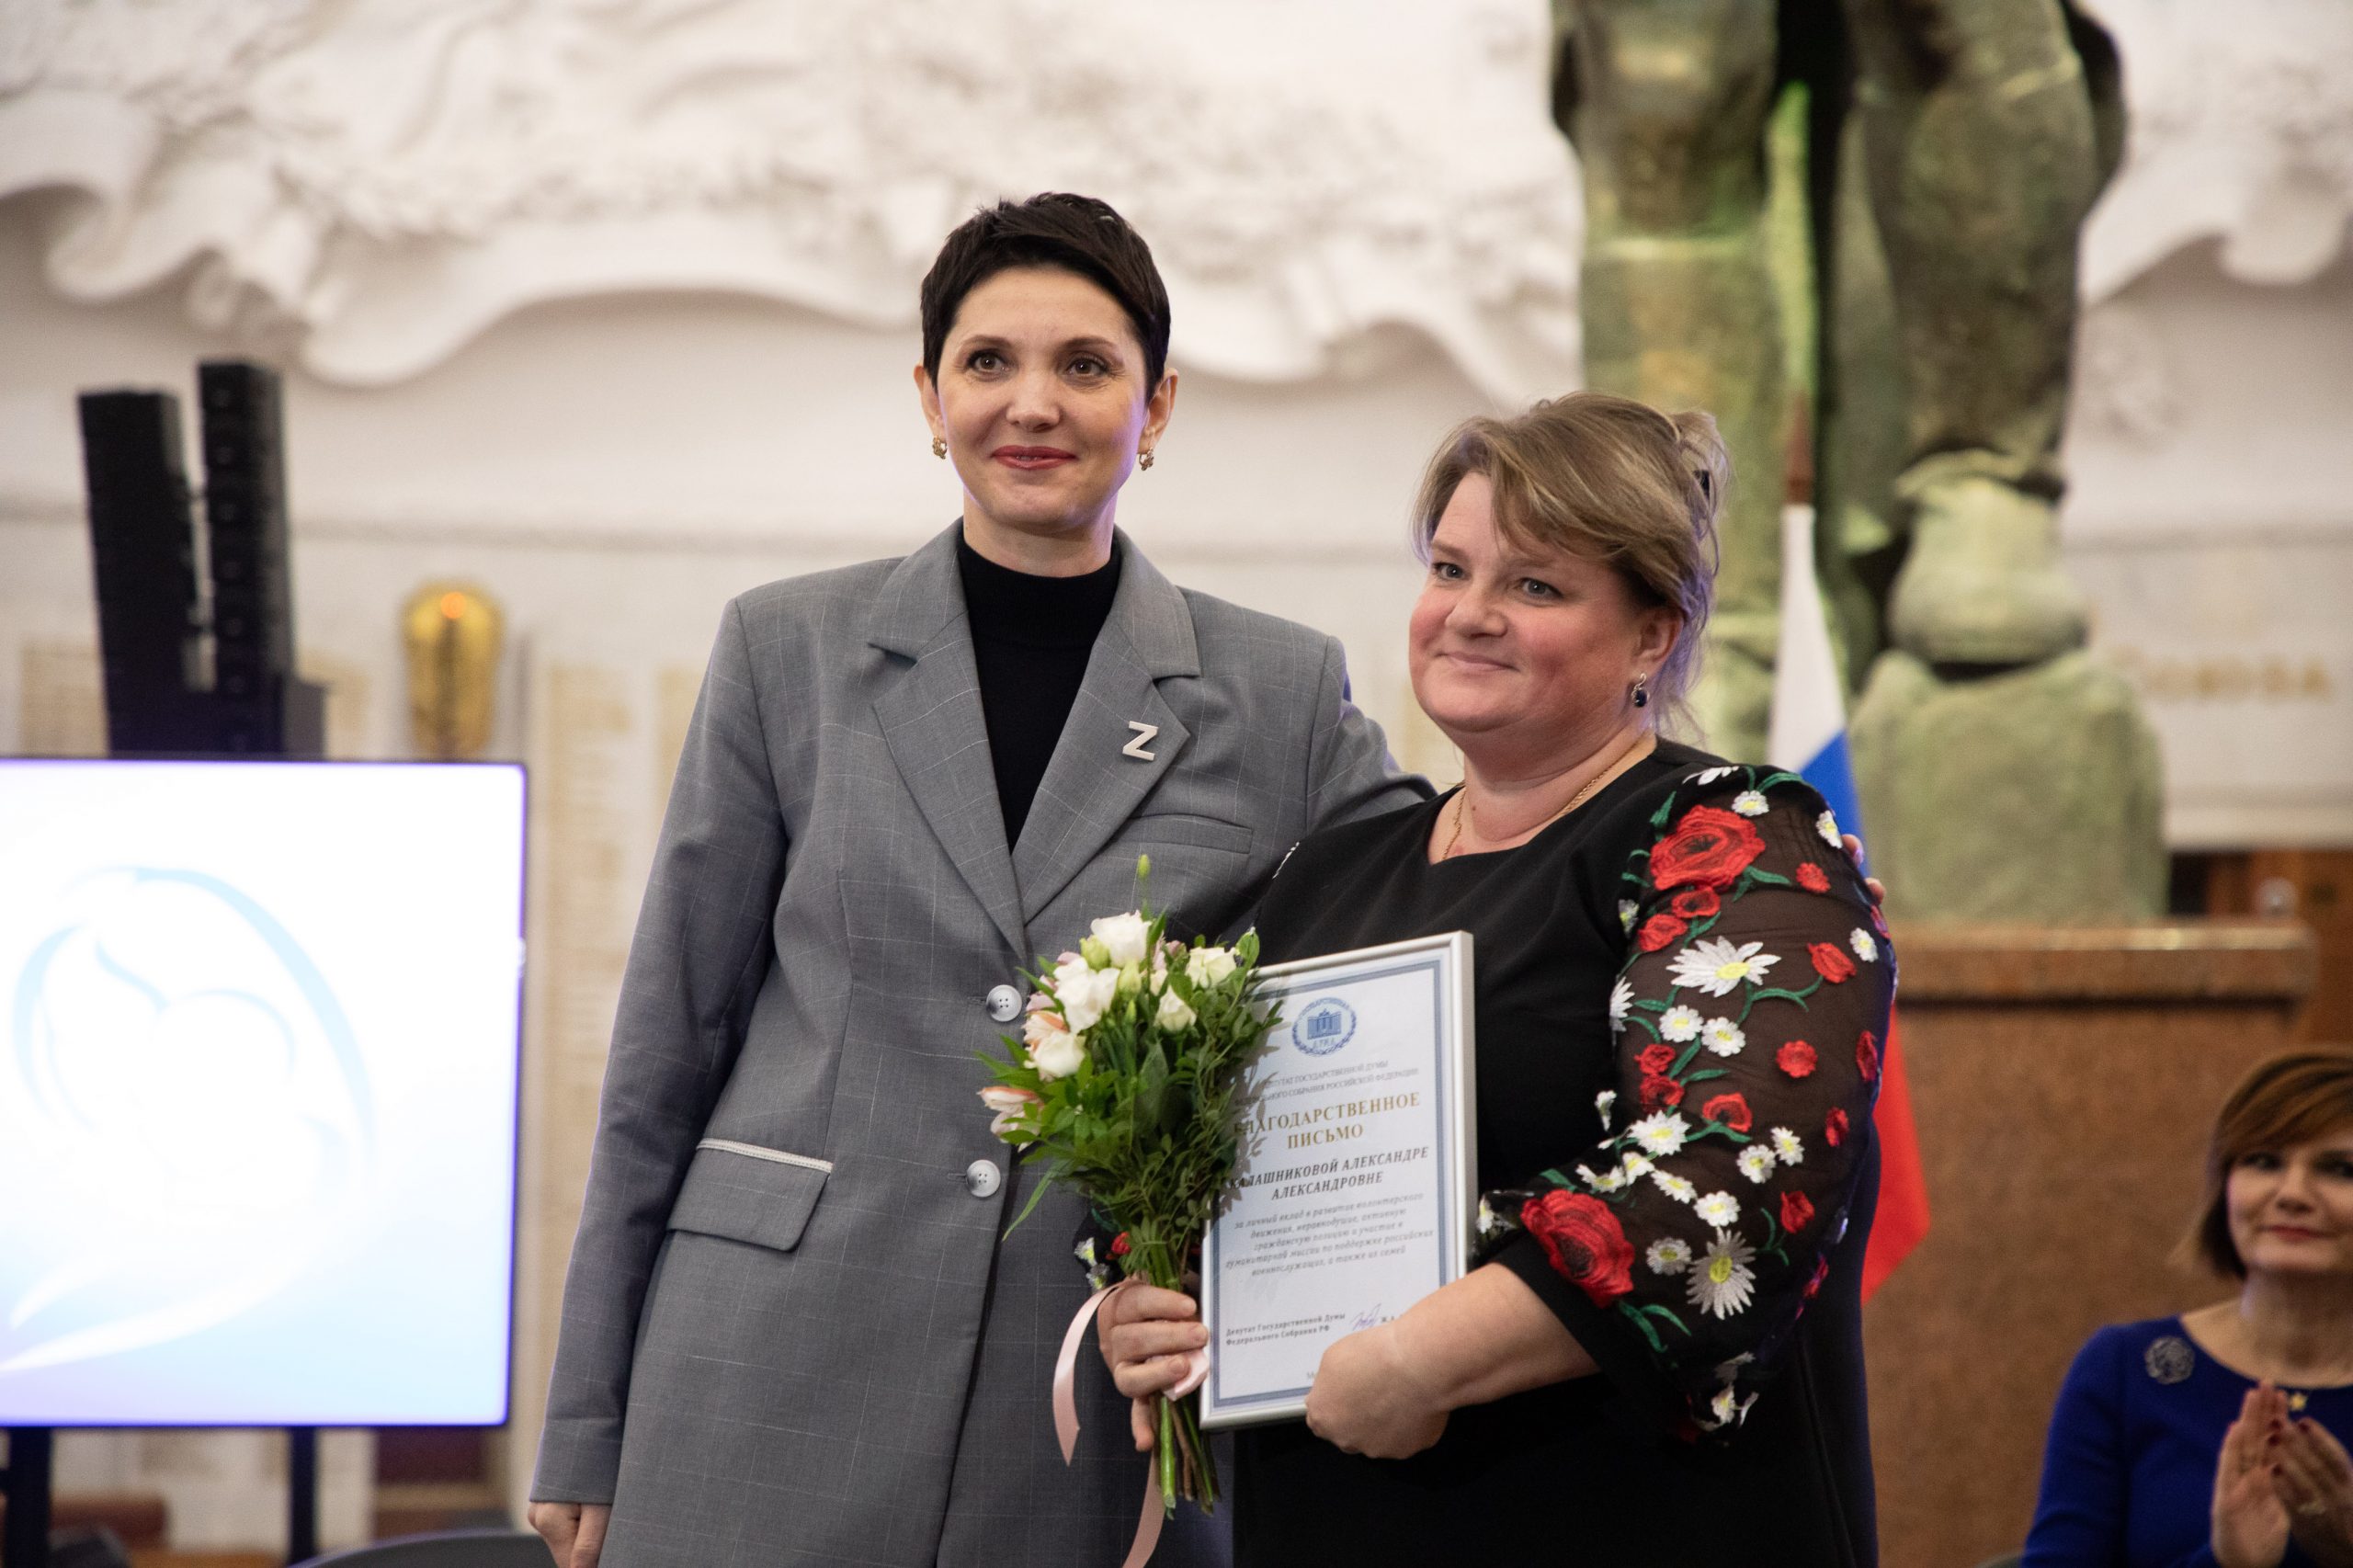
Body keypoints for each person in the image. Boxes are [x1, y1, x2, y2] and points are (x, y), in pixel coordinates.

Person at [525, 192, 1427, 1568]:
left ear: (1156, 405)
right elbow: (666, 1046)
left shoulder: (1281, 690)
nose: (1033, 403)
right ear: (930, 397)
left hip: (1081, 1405)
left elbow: (1425, 940)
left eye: (1087, 364)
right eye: (989, 360)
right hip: (763, 1362)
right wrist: (585, 1417)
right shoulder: (786, 649)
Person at [1106, 391, 1896, 1566]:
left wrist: (1419, 1359)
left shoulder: (1727, 836)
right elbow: (1201, 1181)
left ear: (1652, 635)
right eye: (1449, 567)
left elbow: (1736, 1177)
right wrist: (1153, 1300)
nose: (1469, 613)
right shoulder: (1327, 873)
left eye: (1534, 584)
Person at [2023, 1050, 2353, 1568]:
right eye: (2263, 1161)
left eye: (2339, 1169)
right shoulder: (2125, 1370)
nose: (2292, 1194)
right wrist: (2224, 1562)